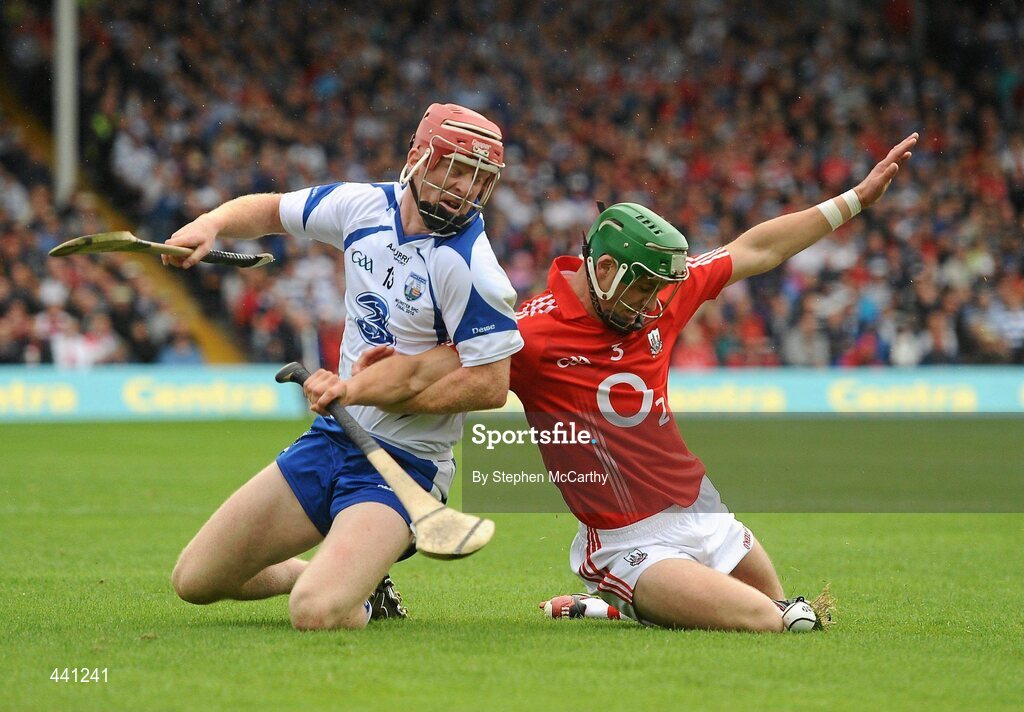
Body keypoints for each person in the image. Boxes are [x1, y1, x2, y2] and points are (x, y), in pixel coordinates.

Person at [312, 132, 918, 631]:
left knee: (779, 606)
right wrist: (359, 386)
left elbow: (755, 249)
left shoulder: (663, 294)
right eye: (642, 286)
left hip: (703, 512)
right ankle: (619, 590)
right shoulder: (533, 333)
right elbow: (439, 367)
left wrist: (856, 199)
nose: (655, 301)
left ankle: (604, 607)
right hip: (628, 543)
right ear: (603, 268)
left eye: (660, 288)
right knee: (781, 622)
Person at [167, 103, 524, 630]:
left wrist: (388, 393)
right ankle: (336, 574)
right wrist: (211, 223)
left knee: (315, 612)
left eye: (478, 178)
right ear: (417, 157)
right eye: (454, 167)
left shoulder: (471, 265)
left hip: (405, 465)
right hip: (332, 437)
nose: (464, 188)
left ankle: (342, 584)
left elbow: (492, 386)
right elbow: (270, 211)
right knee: (195, 581)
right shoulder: (362, 206)